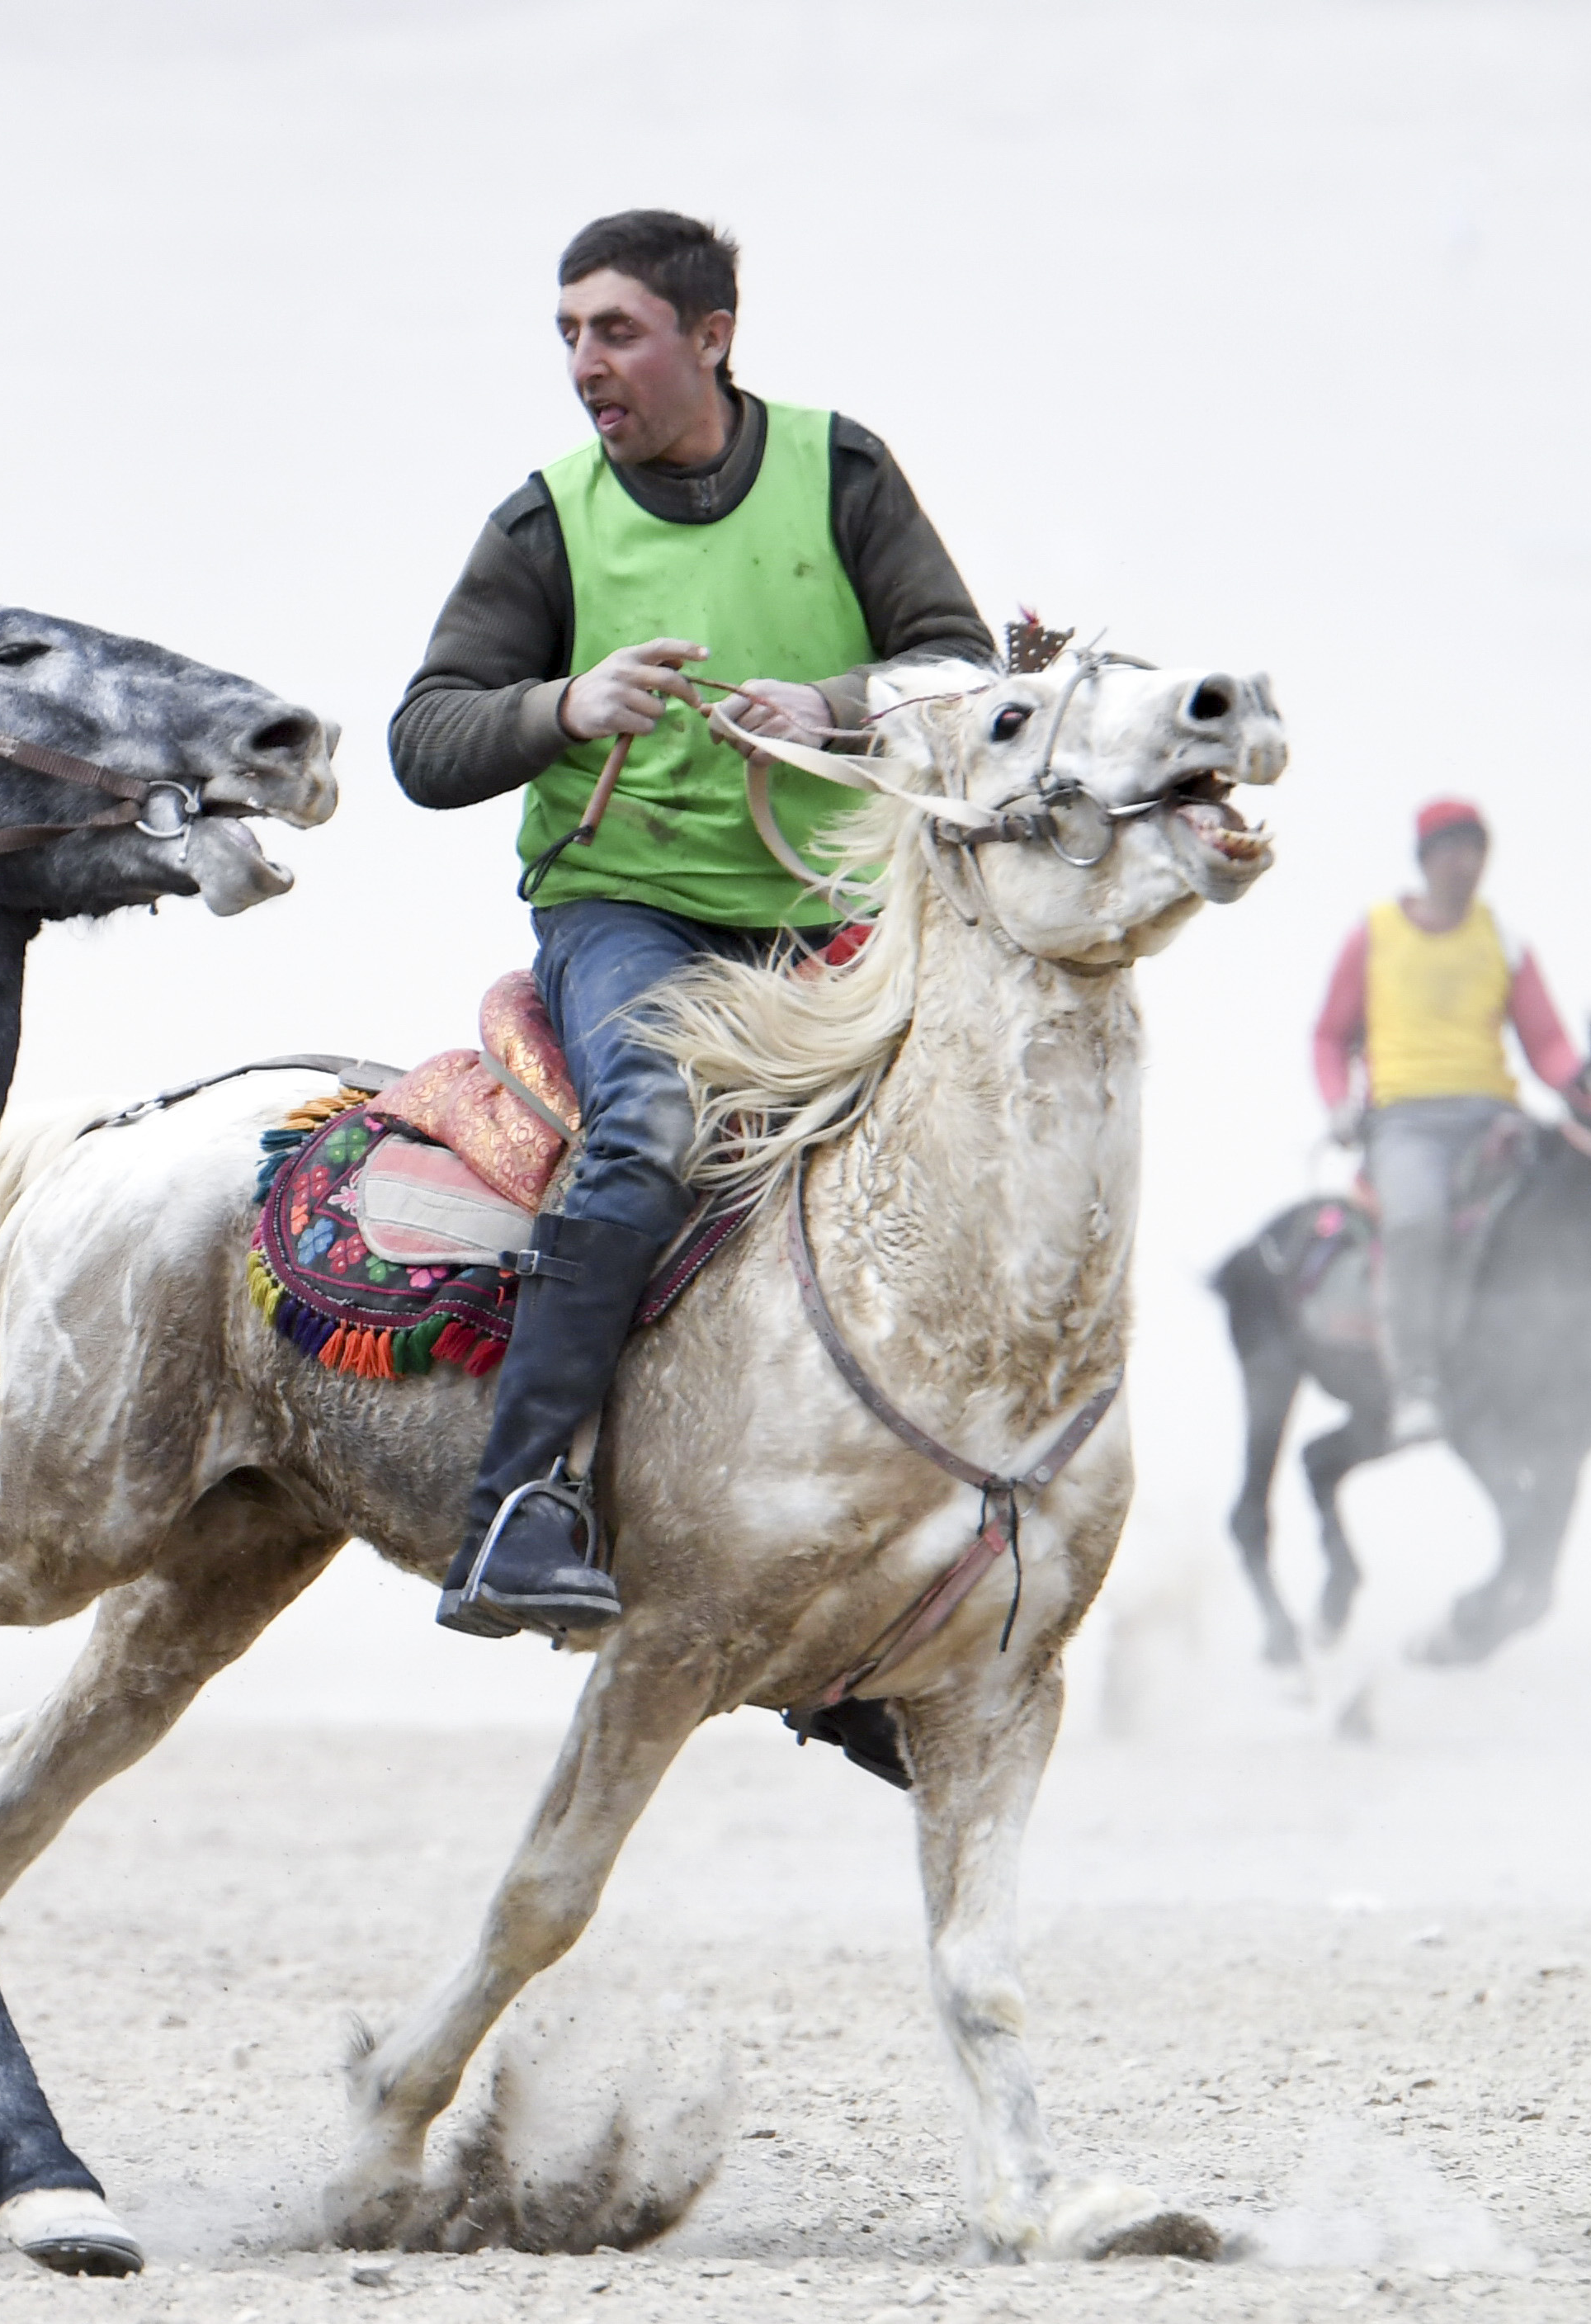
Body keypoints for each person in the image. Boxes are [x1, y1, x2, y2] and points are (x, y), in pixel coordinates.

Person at [389, 210, 994, 1642]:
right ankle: (519, 1503)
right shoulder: (545, 522)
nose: (585, 363)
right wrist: (561, 706)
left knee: (970, 1150)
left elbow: (961, 670)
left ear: (711, 338)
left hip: (830, 929)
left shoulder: (842, 472)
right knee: (648, 1121)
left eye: (616, 330)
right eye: (569, 334)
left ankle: (929, 1547)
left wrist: (837, 703)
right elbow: (424, 740)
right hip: (630, 919)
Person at [1310, 797, 1582, 1444]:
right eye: (1453, 849)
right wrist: (1338, 1104)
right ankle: (1416, 1385)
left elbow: (1546, 1045)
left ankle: (1582, 1378)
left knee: (1568, 1212)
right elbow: (1328, 1037)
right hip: (1406, 1124)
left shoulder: (1504, 942)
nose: (1466, 864)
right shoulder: (1373, 936)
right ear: (1425, 859)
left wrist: (1585, 1087)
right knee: (1414, 1223)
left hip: (1493, 1117)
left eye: (1476, 850)